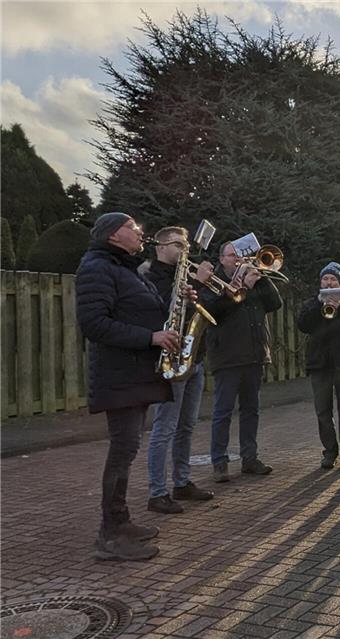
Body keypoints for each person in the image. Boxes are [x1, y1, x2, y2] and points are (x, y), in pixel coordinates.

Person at [77, 213, 176, 561]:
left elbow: (149, 311)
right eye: (135, 230)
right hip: (119, 376)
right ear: (115, 235)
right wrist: (150, 337)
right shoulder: (96, 268)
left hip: (136, 374)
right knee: (123, 451)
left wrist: (183, 302)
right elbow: (94, 323)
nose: (140, 234)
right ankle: (109, 534)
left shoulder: (125, 268)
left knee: (128, 449)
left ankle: (121, 521)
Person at [143, 226, 216, 515]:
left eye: (185, 244)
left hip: (192, 356)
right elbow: (158, 308)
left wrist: (196, 289)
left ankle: (182, 481)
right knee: (165, 427)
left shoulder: (182, 274)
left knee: (187, 425)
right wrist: (194, 284)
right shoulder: (149, 275)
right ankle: (157, 492)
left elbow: (198, 307)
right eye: (178, 244)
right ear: (161, 246)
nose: (184, 249)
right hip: (170, 358)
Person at [202, 240, 283, 482]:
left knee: (251, 410)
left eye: (240, 255)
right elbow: (213, 312)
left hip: (254, 354)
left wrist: (263, 275)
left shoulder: (255, 278)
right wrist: (243, 288)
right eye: (232, 255)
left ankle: (250, 458)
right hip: (226, 356)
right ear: (222, 259)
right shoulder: (212, 281)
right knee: (223, 411)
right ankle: (219, 463)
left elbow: (275, 303)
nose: (237, 259)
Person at [297, 261, 340, 470]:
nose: (329, 282)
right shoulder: (312, 302)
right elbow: (303, 325)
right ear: (320, 282)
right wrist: (319, 306)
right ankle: (330, 452)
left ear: (339, 282)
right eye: (326, 279)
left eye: (333, 279)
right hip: (319, 364)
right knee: (323, 411)